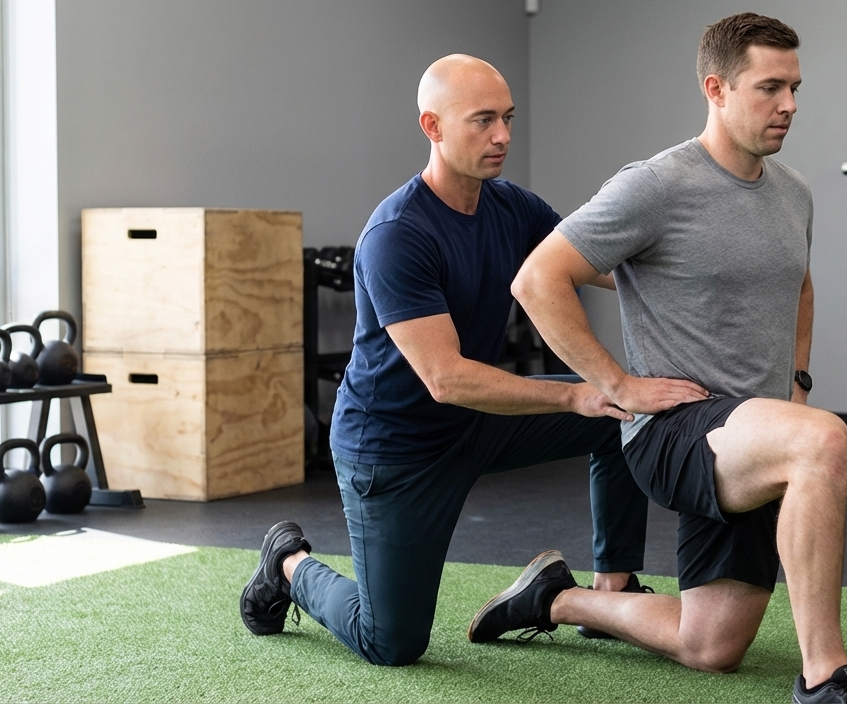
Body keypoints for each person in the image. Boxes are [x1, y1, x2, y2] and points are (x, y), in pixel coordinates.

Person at [469, 13, 847, 704]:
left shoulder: (793, 193)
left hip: (752, 438)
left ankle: (556, 599)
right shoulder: (656, 185)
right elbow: (537, 279)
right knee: (823, 444)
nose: (789, 104)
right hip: (676, 431)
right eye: (770, 87)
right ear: (717, 89)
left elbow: (800, 284)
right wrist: (617, 384)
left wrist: (798, 382)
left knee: (710, 645)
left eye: (795, 87)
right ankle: (825, 678)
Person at [238, 54, 657, 667]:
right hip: (394, 451)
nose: (503, 136)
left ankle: (611, 595)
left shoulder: (514, 209)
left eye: (508, 119)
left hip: (476, 422)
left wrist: (693, 272)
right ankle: (288, 564)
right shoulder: (397, 234)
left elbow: (600, 270)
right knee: (391, 642)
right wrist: (574, 392)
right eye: (483, 121)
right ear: (431, 126)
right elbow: (446, 376)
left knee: (624, 415)